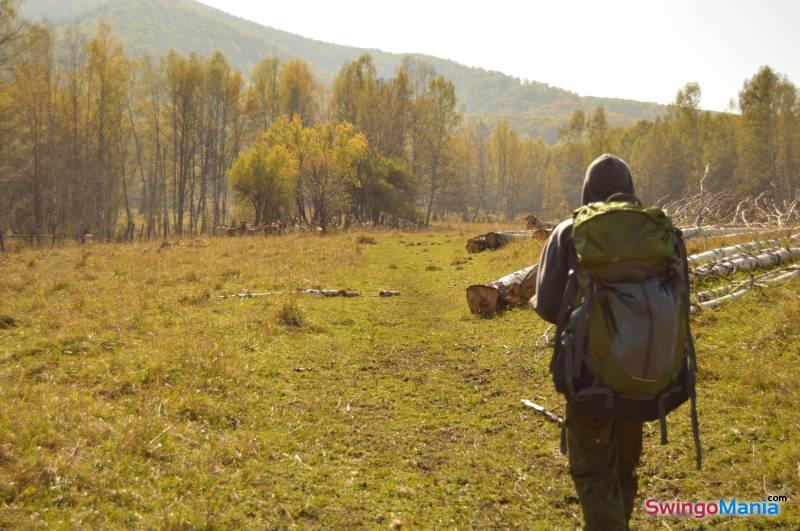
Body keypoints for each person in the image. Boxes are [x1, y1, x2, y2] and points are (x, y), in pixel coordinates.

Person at [533, 154, 643, 530]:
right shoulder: (655, 232)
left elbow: (548, 306)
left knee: (594, 473)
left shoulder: (569, 231)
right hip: (644, 374)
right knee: (624, 470)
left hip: (589, 375)